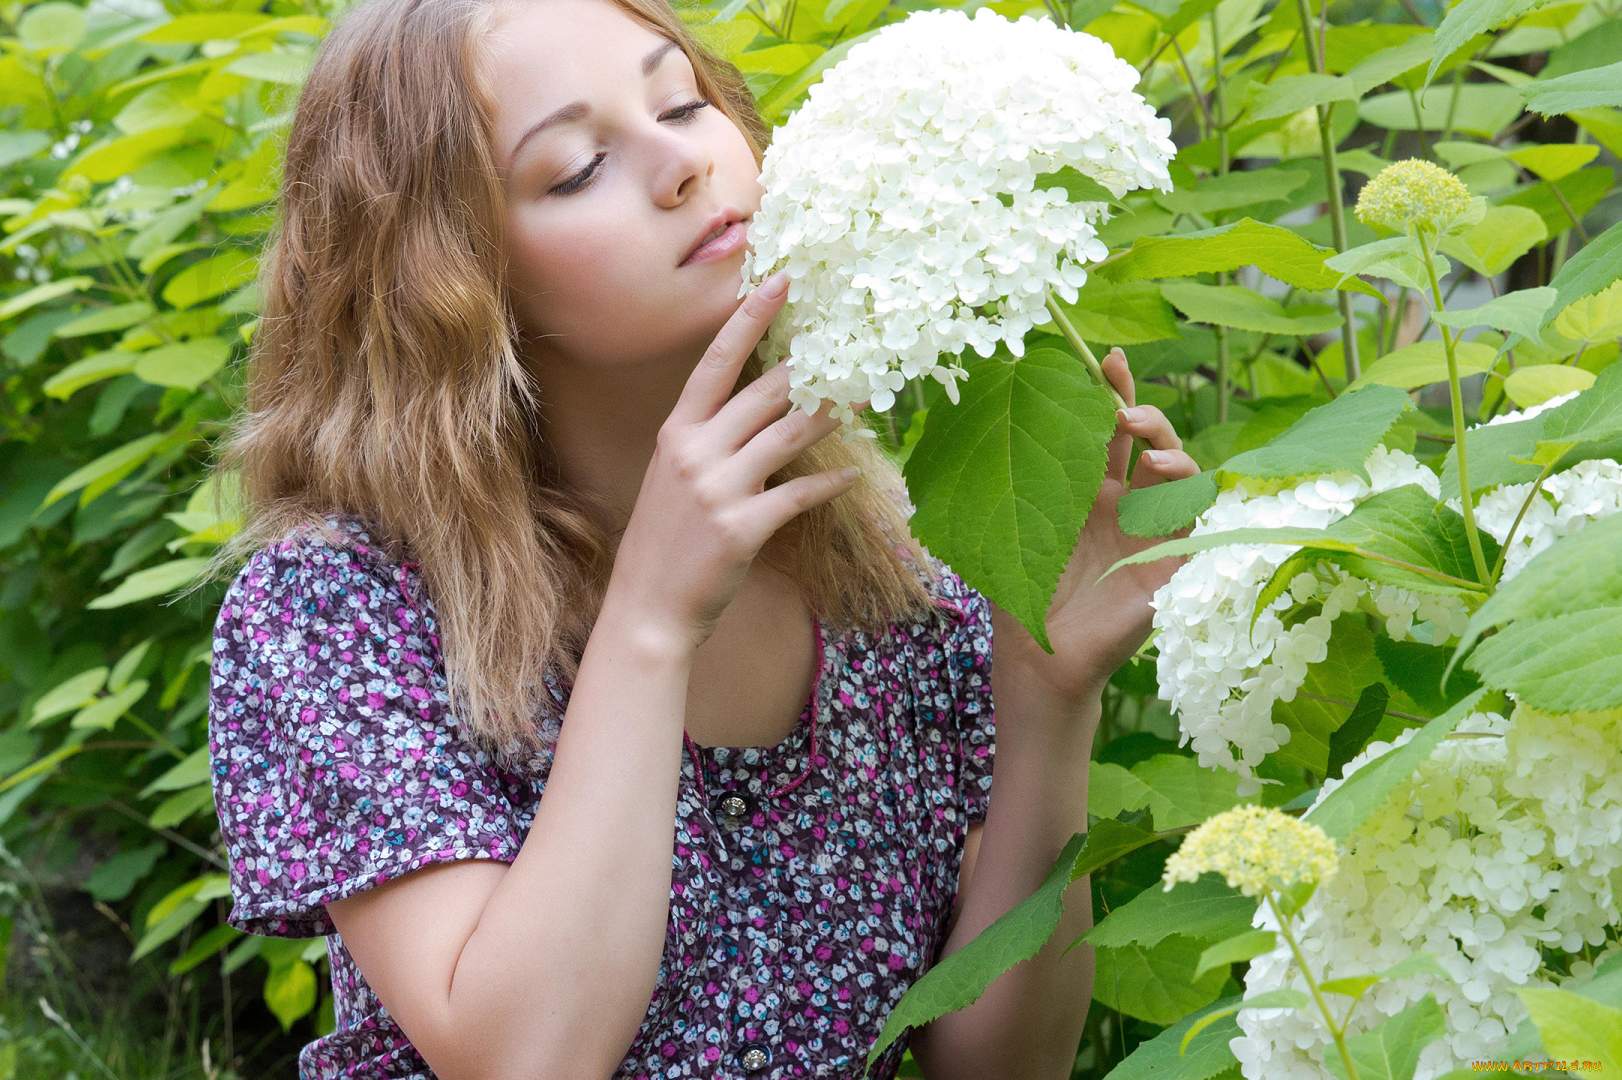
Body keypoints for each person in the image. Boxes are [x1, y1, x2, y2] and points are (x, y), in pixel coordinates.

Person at [201, 0, 1198, 1075]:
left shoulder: (889, 586)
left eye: (682, 101)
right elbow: (523, 1060)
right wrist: (650, 620)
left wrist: (1048, 700)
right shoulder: (335, 611)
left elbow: (998, 1067)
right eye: (578, 167)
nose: (681, 164)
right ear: (447, 286)